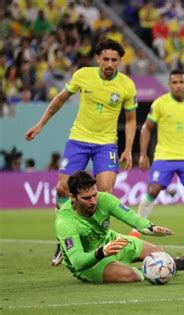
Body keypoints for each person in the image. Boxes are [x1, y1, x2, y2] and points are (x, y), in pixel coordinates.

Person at [24, 39, 138, 265]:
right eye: (105, 59)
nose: (109, 63)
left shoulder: (127, 85)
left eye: (114, 60)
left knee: (105, 192)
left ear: (119, 62)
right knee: (61, 188)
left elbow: (132, 120)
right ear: (98, 59)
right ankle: (63, 236)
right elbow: (59, 100)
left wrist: (128, 149)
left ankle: (98, 241)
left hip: (106, 145)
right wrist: (40, 125)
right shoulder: (83, 75)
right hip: (78, 140)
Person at [56, 171, 184, 284]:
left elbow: (131, 217)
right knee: (131, 275)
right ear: (73, 197)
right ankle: (145, 271)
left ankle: (173, 263)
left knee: (160, 255)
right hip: (91, 261)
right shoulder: (65, 221)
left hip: (112, 242)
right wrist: (102, 252)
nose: (93, 201)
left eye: (94, 195)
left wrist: (150, 227)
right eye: (87, 198)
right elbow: (78, 261)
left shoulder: (104, 199)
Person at [130, 69, 184, 245]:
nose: (178, 85)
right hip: (164, 156)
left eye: (181, 82)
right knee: (153, 190)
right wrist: (143, 155)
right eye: (175, 82)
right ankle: (135, 230)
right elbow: (146, 128)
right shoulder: (160, 103)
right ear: (169, 84)